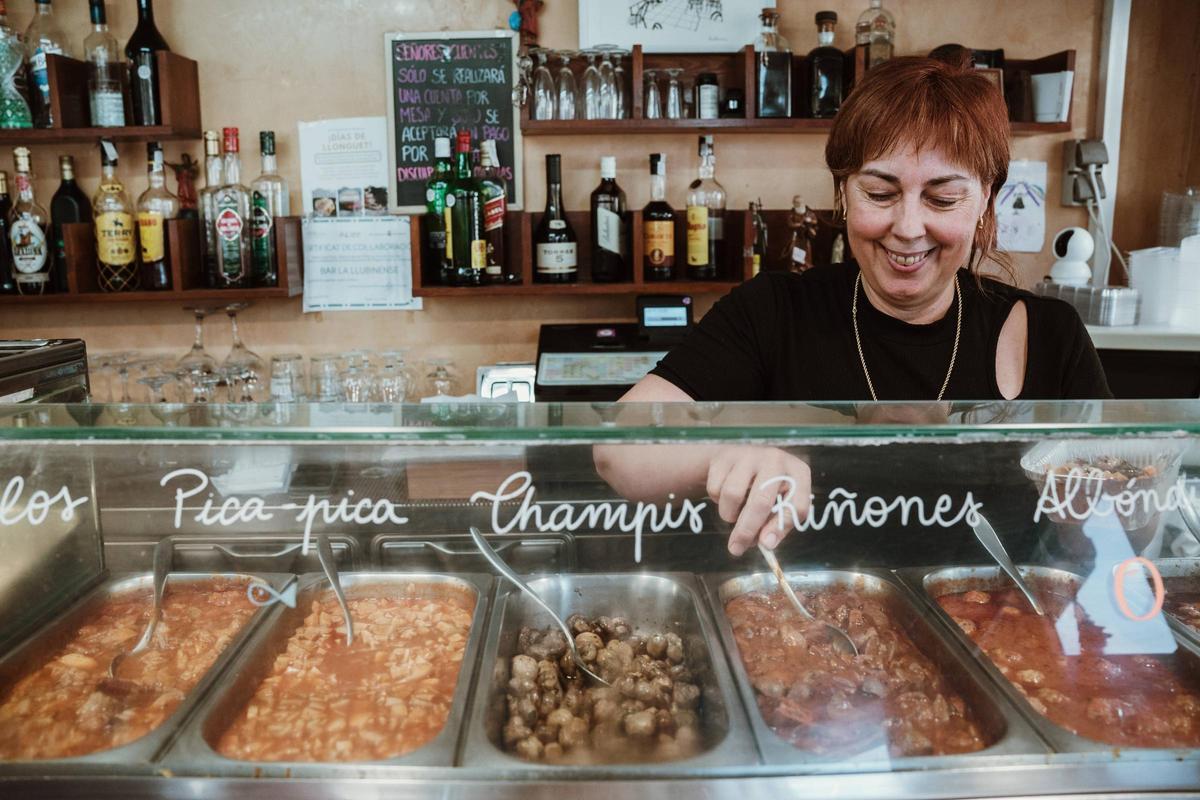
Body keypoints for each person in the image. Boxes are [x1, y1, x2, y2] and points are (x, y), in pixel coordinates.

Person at [594, 56, 1111, 558]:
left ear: (985, 202)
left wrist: (1102, 512)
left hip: (1001, 630)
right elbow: (618, 453)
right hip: (799, 626)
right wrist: (727, 454)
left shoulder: (1052, 335)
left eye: (943, 198)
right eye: (880, 193)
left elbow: (1112, 533)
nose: (908, 227)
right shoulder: (774, 310)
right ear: (843, 192)